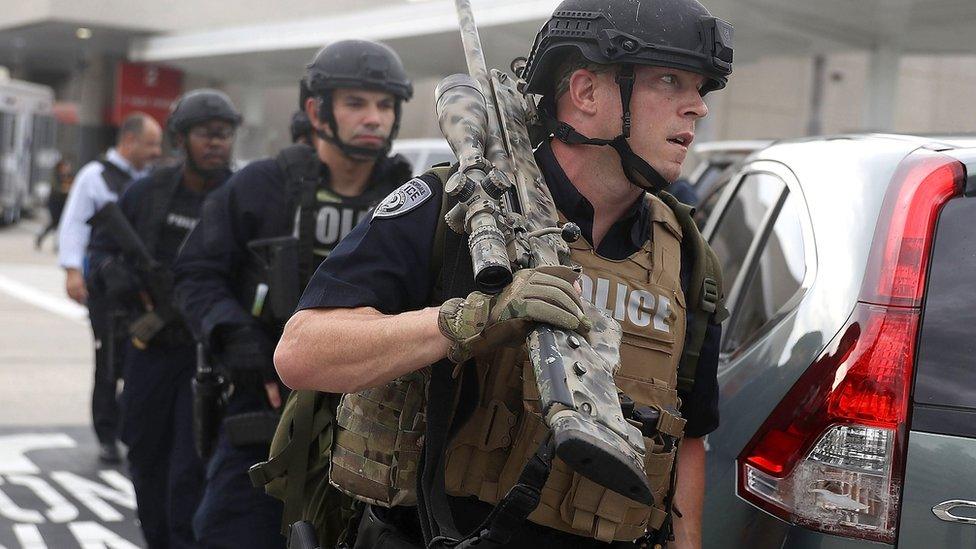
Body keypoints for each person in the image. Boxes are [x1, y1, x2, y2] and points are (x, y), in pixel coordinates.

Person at [274, 0, 733, 547]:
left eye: (700, 89)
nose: (696, 109)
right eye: (670, 80)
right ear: (585, 93)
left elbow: (689, 439)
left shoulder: (685, 257)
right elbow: (302, 353)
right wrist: (471, 320)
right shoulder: (455, 208)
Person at [173, 39, 414, 549]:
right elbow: (196, 273)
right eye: (356, 103)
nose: (373, 118)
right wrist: (243, 346)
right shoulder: (260, 187)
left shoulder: (410, 200)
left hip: (375, 424)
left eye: (385, 104)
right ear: (316, 110)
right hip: (263, 410)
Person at [87, 89, 241, 549]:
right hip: (150, 350)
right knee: (145, 454)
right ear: (179, 139)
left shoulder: (242, 196)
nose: (216, 143)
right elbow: (99, 250)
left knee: (191, 469)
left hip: (210, 359)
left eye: (224, 135)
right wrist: (113, 275)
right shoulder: (148, 191)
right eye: (204, 134)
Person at [58, 112, 163, 463]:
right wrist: (73, 271)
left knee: (137, 359)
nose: (156, 151)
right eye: (150, 144)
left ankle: (125, 426)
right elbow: (73, 225)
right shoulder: (95, 175)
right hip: (104, 288)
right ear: (129, 141)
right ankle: (106, 434)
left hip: (139, 288)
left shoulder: (149, 179)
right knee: (108, 361)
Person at [35, 159, 74, 250]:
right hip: (54, 203)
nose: (67, 168)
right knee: (55, 223)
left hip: (63, 204)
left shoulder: (69, 176)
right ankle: (48, 241)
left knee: (59, 224)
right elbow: (58, 189)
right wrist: (66, 189)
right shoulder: (56, 177)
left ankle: (55, 244)